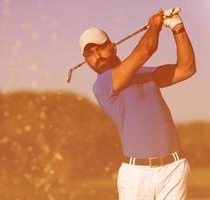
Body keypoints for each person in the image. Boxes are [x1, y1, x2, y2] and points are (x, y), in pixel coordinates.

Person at [78, 8, 196, 200]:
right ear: (86, 60)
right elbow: (145, 50)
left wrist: (177, 27)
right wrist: (154, 27)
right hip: (137, 175)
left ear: (113, 47)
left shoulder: (144, 73)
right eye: (89, 54)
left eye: (100, 48)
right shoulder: (103, 84)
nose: (97, 56)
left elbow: (186, 69)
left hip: (174, 168)